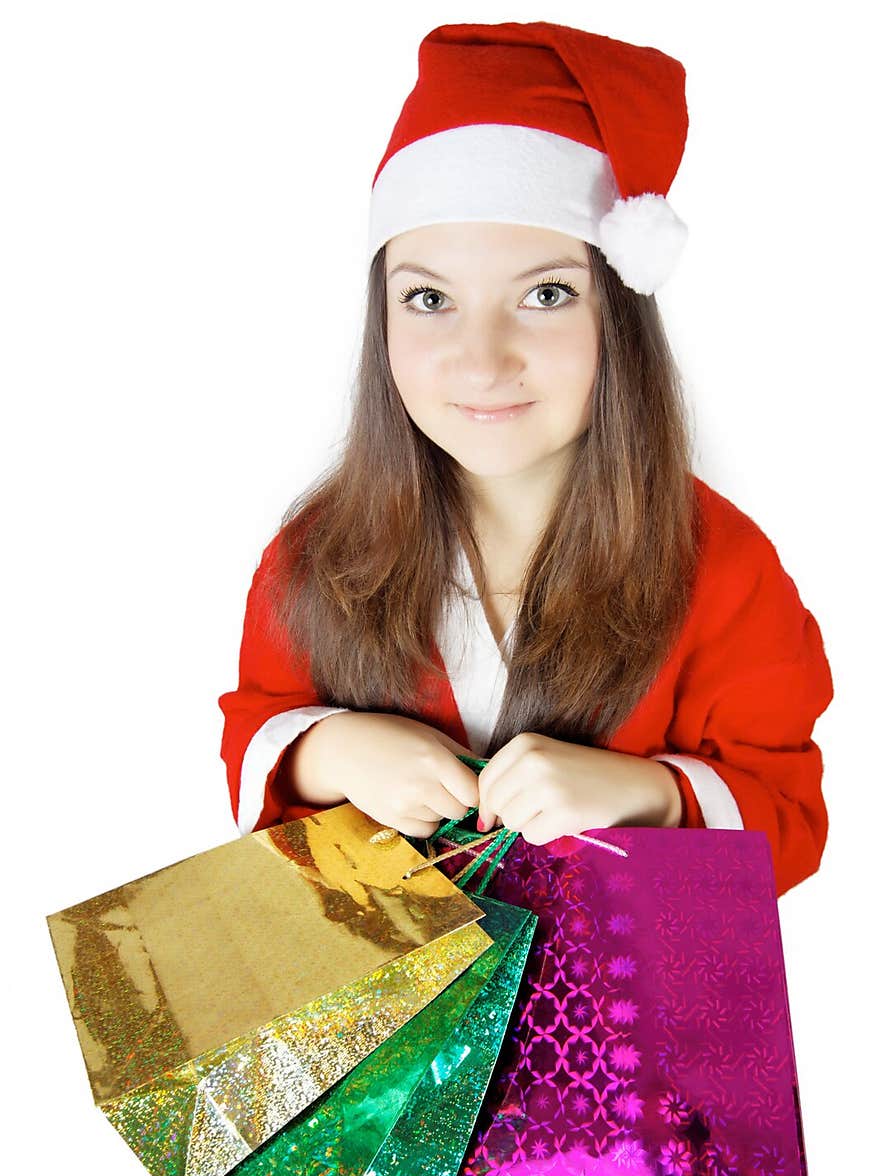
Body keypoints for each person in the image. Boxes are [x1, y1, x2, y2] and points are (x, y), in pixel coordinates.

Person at [219, 20, 832, 899]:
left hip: (624, 1025)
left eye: (545, 295)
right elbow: (256, 732)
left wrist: (650, 794)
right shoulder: (315, 552)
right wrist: (327, 753)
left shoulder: (724, 568)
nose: (482, 359)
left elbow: (790, 817)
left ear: (616, 316)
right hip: (380, 1028)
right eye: (429, 298)